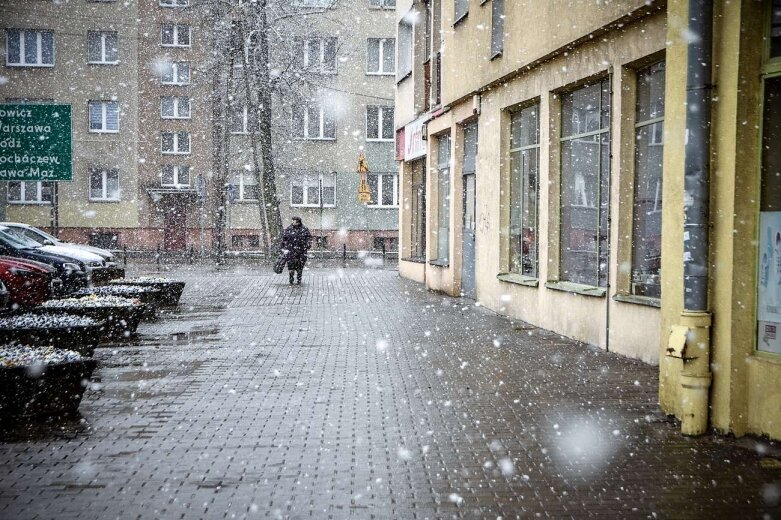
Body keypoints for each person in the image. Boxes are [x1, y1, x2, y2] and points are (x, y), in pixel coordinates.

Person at [281, 216, 311, 285]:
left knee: (300, 267)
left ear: (298, 222)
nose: (292, 222)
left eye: (293, 221)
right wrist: (283, 247)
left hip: (301, 252)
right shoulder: (289, 229)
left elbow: (309, 239)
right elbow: (284, 239)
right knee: (291, 266)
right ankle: (291, 279)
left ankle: (299, 279)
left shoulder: (304, 229)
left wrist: (306, 245)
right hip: (291, 251)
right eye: (292, 221)